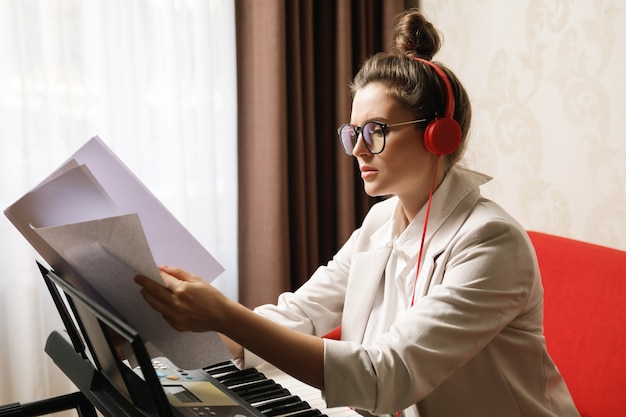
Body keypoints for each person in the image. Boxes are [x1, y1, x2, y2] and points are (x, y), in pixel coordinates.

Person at [135, 8, 580, 417]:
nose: (359, 150)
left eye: (377, 130)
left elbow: (387, 375)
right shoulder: (380, 222)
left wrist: (224, 315)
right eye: (354, 133)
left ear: (438, 136)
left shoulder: (491, 243)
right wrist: (209, 324)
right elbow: (302, 314)